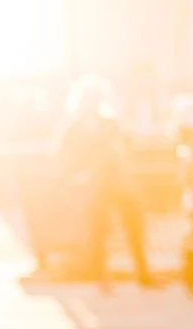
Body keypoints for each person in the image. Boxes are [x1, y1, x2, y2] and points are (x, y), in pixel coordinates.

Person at [54, 76, 153, 292]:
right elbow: (64, 158)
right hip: (95, 184)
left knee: (133, 225)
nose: (94, 102)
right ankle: (102, 278)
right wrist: (78, 175)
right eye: (90, 98)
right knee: (98, 230)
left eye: (96, 98)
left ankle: (143, 273)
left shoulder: (109, 122)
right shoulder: (74, 127)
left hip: (118, 181)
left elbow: (126, 145)